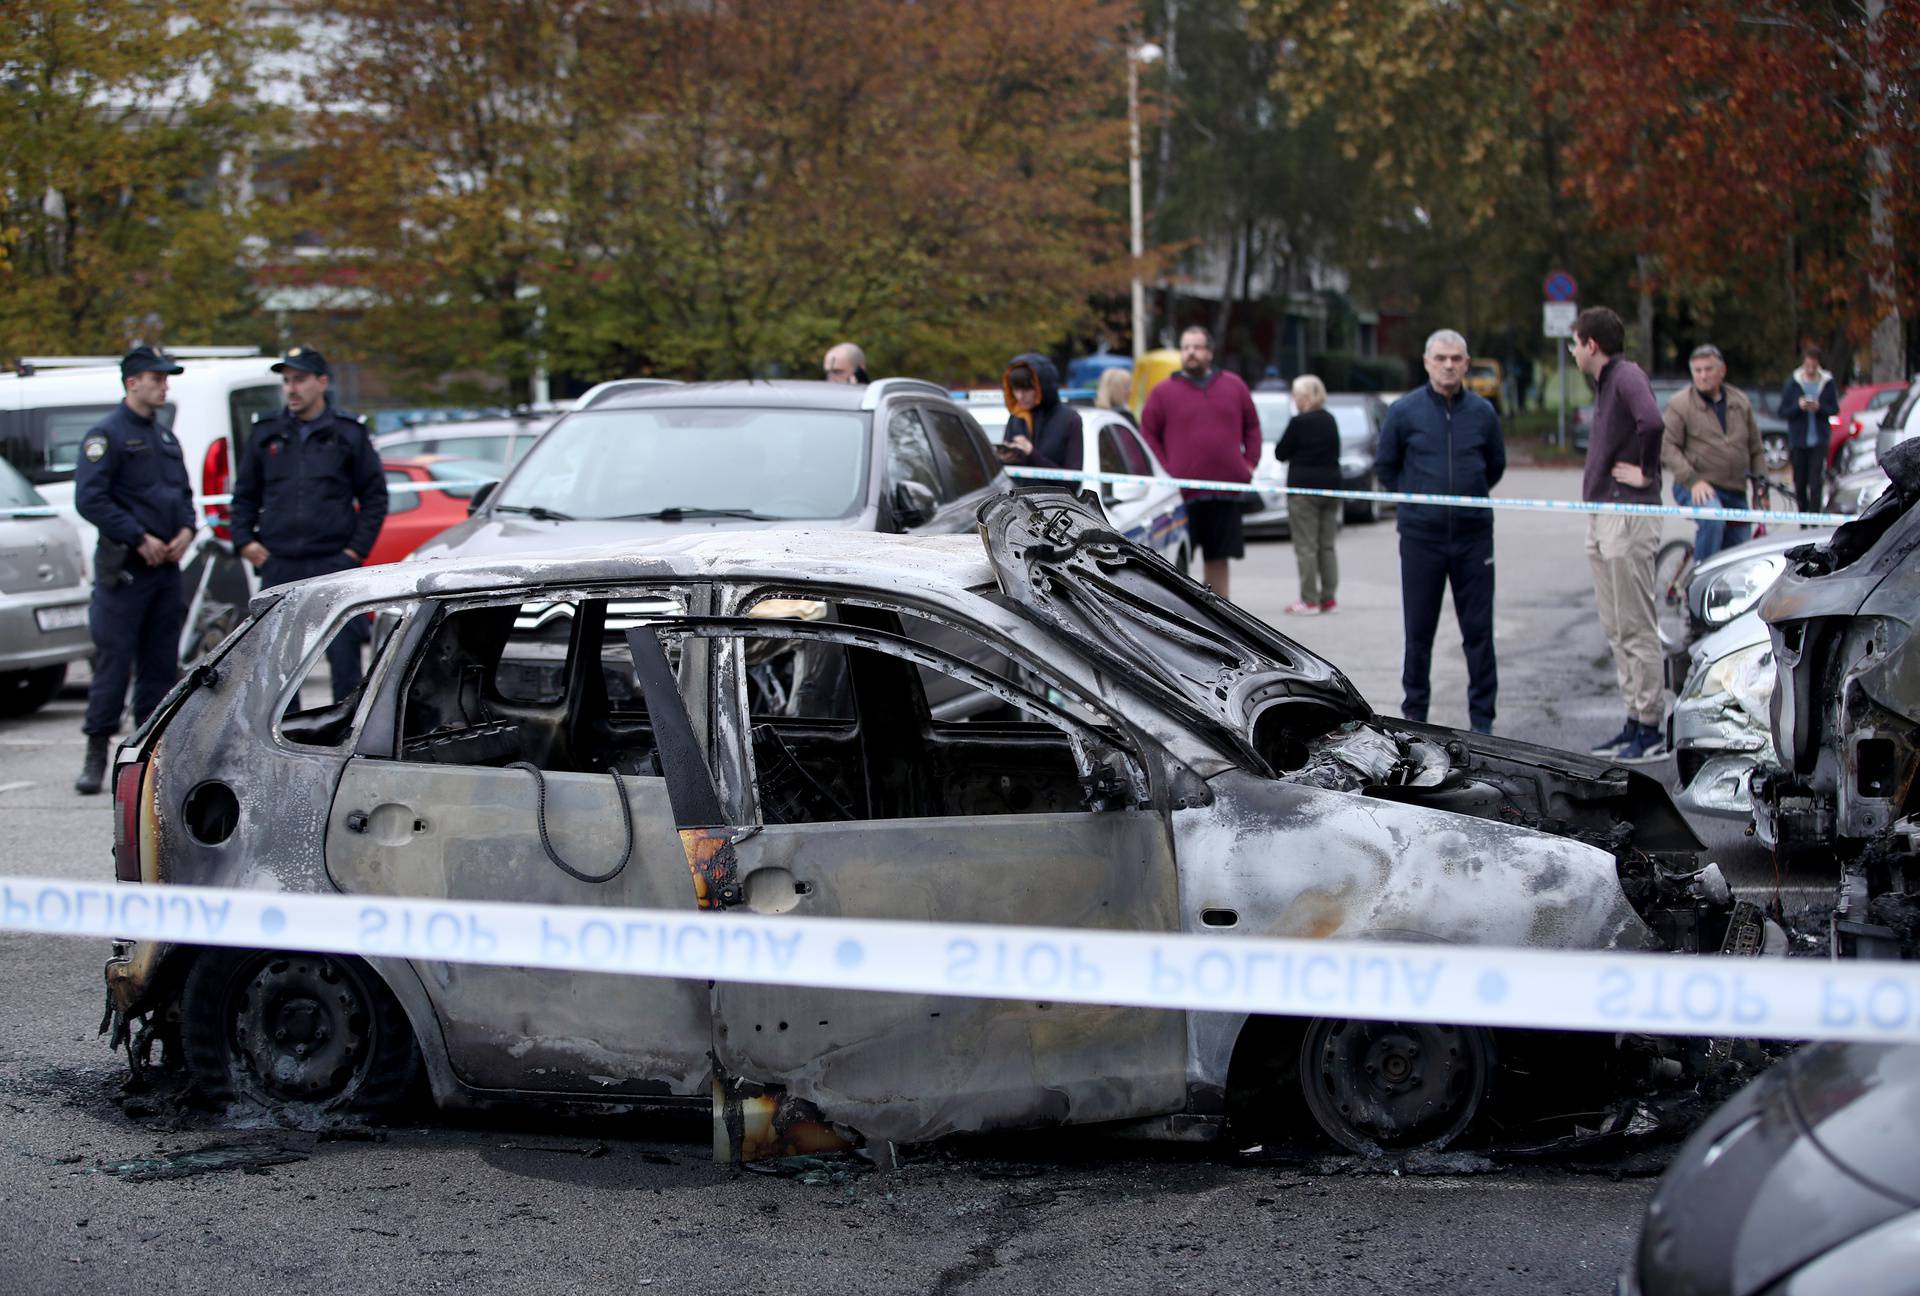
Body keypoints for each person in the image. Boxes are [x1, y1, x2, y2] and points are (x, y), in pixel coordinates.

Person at [228, 346, 388, 701]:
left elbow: (375, 497)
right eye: (286, 381)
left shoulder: (348, 433)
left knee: (344, 660)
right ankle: (283, 743)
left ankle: (343, 740)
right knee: (278, 669)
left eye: (299, 380)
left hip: (333, 564)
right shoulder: (266, 433)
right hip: (279, 563)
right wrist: (246, 543)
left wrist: (353, 552)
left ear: (322, 382)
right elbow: (244, 496)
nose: (291, 389)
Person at [71, 346, 197, 794]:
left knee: (160, 669)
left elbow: (182, 494)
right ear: (132, 383)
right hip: (125, 571)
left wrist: (186, 530)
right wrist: (138, 536)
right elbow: (90, 498)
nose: (164, 386)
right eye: (157, 378)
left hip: (164, 571)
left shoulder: (165, 438)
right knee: (113, 666)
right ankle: (95, 752)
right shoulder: (106, 435)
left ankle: (144, 760)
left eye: (166, 379)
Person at [1374, 328, 1505, 735]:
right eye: (1441, 358)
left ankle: (1483, 721)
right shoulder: (1404, 411)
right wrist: (1416, 502)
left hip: (1473, 538)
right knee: (1419, 632)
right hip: (1421, 538)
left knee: (1478, 633)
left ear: (1466, 364)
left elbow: (1494, 466)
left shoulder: (1483, 413)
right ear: (1428, 362)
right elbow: (1386, 467)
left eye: (1456, 359)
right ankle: (1415, 718)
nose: (1449, 365)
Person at [1571, 307, 1667, 762]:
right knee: (1615, 626)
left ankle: (1650, 725)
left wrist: (1645, 472)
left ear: (1591, 344)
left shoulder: (1626, 375)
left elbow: (1654, 421)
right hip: (1605, 515)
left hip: (1628, 516)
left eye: (1574, 343)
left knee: (1635, 625)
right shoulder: (1607, 383)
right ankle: (1634, 718)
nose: (1572, 351)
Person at [1139, 326, 1261, 598]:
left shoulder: (1234, 385)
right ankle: (1185, 619)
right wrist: (1166, 471)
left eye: (1196, 347)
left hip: (1224, 492)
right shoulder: (1162, 392)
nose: (1190, 353)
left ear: (1210, 352)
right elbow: (1147, 434)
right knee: (1176, 562)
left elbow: (1252, 426)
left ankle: (1222, 618)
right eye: (1185, 348)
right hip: (1180, 494)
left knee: (1218, 557)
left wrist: (1248, 464)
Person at [1660, 344, 1764, 562]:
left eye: (1708, 369)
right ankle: (1697, 584)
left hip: (1735, 488)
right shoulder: (1680, 404)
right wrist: (1693, 480)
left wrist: (1760, 488)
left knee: (1739, 555)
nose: (1703, 376)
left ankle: (1727, 594)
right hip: (1696, 486)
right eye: (1697, 371)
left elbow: (1755, 449)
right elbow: (1667, 446)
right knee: (1713, 520)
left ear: (1722, 370)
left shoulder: (1740, 402)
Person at [1273, 374, 1341, 615]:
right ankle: (1329, 598)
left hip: (1303, 490)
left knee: (1306, 546)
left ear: (1307, 397)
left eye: (1297, 395)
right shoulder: (1330, 420)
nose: (1295, 400)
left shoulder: (1298, 423)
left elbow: (1281, 452)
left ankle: (1309, 599)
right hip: (1331, 487)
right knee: (1327, 545)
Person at [1778, 344, 1840, 517]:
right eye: (1808, 365)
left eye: (1814, 366)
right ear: (1803, 363)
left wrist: (1819, 407)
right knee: (1800, 481)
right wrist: (1798, 406)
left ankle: (1814, 516)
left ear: (1818, 364)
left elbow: (1834, 409)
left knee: (1816, 481)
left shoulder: (1826, 383)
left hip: (1819, 440)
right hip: (1799, 440)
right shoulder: (1792, 383)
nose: (1811, 369)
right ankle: (1802, 517)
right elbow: (1783, 411)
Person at [996, 353, 1084, 471]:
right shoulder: (1016, 417)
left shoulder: (1070, 420)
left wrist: (1031, 454)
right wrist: (1004, 460)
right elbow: (1005, 474)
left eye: (1027, 389)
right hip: (1016, 489)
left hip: (1055, 490)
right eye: (1015, 389)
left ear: (1042, 387)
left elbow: (1073, 481)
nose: (1020, 396)